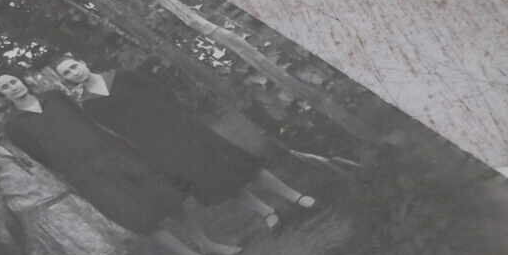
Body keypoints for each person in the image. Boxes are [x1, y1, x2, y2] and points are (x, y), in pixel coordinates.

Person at [0, 71, 234, 255]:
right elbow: (42, 157)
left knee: (170, 197)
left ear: (21, 81)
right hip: (87, 176)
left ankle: (205, 243)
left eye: (13, 81)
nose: (12, 87)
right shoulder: (15, 127)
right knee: (140, 220)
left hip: (115, 154)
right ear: (3, 95)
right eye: (5, 87)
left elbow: (88, 119)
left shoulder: (55, 97)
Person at [51, 54, 318, 230]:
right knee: (212, 179)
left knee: (236, 161)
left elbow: (163, 94)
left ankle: (293, 196)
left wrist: (181, 119)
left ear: (84, 63)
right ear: (66, 80)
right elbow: (118, 132)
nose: (74, 73)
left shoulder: (122, 76)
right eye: (67, 73)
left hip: (182, 127)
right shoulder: (90, 106)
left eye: (74, 66)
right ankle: (266, 212)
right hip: (158, 147)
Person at [0, 114, 133, 255]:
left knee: (108, 242)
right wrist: (12, 227)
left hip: (65, 198)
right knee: (97, 252)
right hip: (44, 211)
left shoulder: (9, 143)